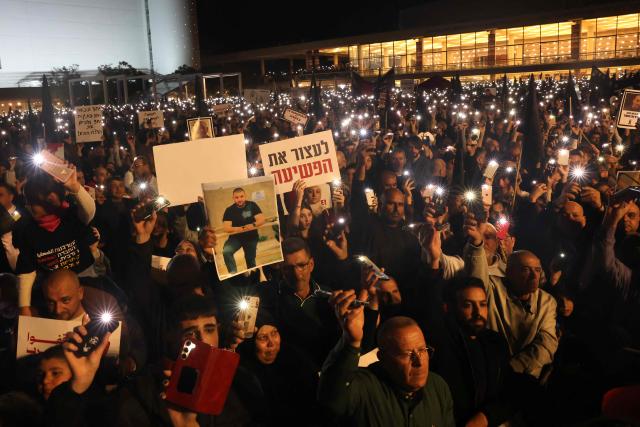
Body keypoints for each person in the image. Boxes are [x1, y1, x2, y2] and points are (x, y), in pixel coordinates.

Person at [318, 299, 455, 427]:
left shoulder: (437, 387)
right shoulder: (364, 387)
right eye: (407, 354)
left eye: (422, 350)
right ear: (382, 358)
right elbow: (333, 399)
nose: (419, 362)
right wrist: (351, 342)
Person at [464, 217, 558, 380]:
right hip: (490, 373)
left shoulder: (547, 302)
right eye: (525, 270)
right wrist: (477, 244)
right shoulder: (492, 288)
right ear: (509, 272)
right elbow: (477, 275)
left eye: (537, 270)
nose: (534, 276)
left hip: (527, 377)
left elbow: (546, 343)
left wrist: (514, 368)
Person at [222, 187, 265, 274]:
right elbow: (226, 227)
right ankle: (233, 273)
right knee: (226, 251)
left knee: (250, 260)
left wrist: (253, 225)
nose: (239, 199)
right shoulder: (229, 210)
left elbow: (261, 219)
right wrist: (237, 229)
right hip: (235, 238)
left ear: (245, 196)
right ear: (233, 198)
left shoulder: (252, 205)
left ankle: (253, 278)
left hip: (251, 237)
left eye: (241, 196)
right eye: (236, 197)